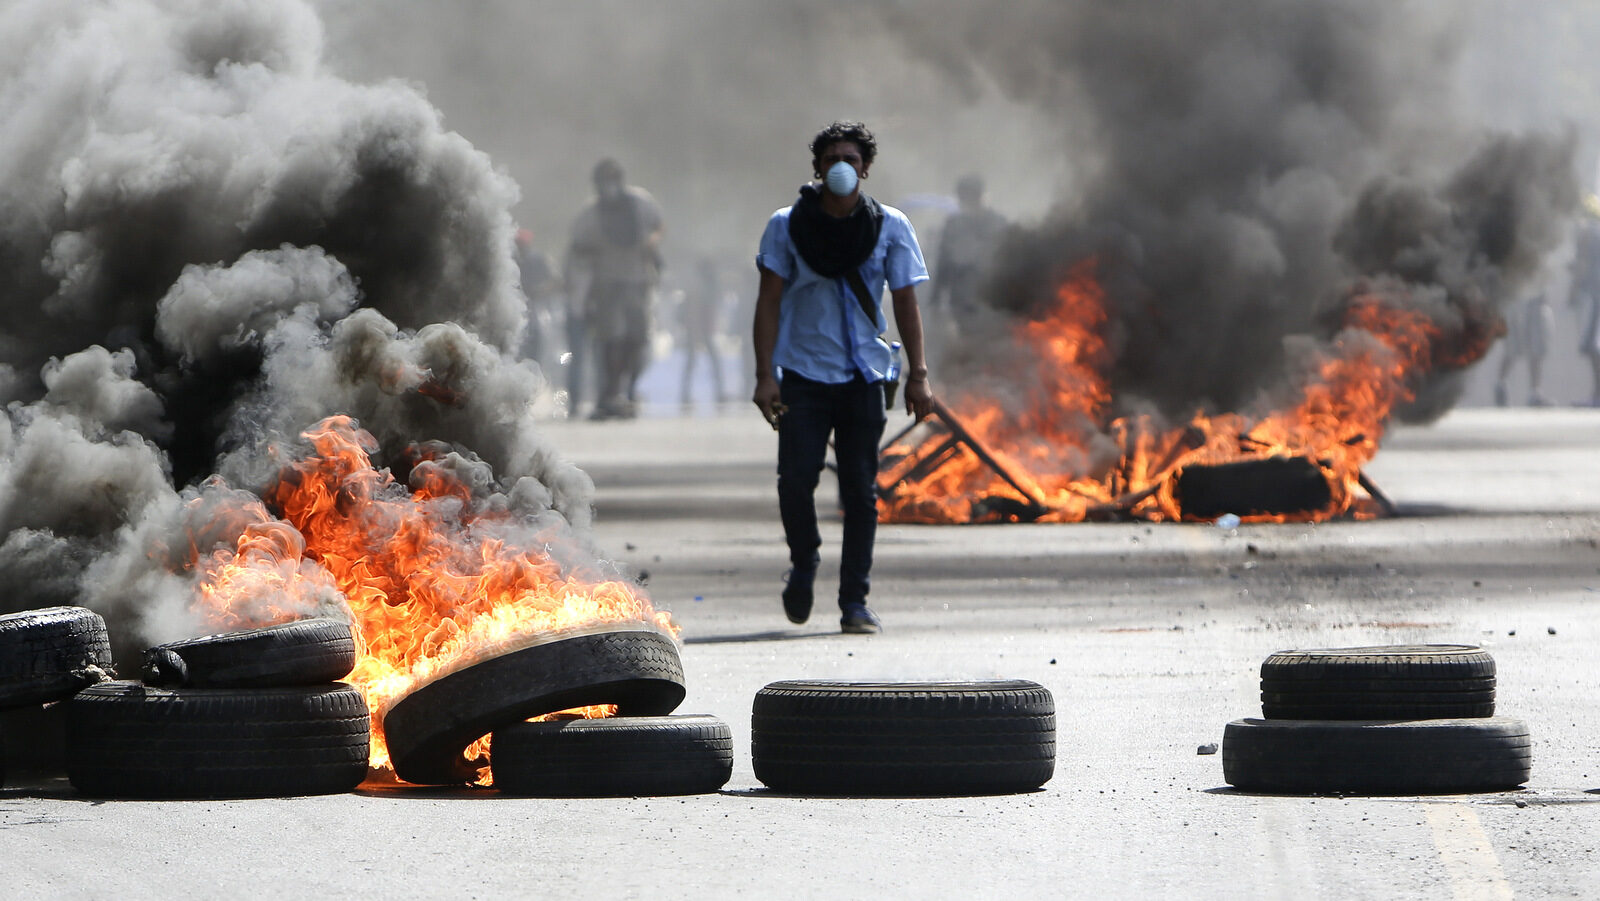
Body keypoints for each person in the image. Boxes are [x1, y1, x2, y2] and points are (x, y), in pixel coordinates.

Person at [751, 121, 935, 634]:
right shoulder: (785, 226)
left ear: (865, 168)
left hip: (864, 377)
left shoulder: (891, 226)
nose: (841, 166)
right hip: (804, 378)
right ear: (817, 167)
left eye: (850, 159)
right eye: (832, 157)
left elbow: (905, 301)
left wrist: (918, 375)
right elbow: (768, 302)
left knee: (861, 491)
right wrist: (765, 375)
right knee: (795, 482)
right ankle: (804, 562)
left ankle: (854, 600)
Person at [566, 158, 665, 419]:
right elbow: (577, 249)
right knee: (610, 342)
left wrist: (651, 245)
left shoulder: (641, 203)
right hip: (606, 283)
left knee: (637, 340)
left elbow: (658, 226)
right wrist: (581, 294)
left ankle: (627, 390)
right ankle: (610, 394)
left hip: (638, 280)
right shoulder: (590, 214)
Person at [929, 173, 1006, 359]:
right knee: (967, 348)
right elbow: (943, 265)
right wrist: (936, 300)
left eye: (973, 196)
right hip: (962, 303)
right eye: (965, 197)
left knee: (993, 349)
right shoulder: (954, 224)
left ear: (982, 196)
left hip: (992, 302)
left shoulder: (998, 224)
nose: (969, 202)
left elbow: (1009, 264)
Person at [679, 256, 727, 407]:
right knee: (703, 361)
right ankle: (688, 393)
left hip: (700, 328)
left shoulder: (701, 285)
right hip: (699, 328)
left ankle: (687, 393)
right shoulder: (702, 286)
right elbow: (694, 308)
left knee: (696, 361)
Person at [1572, 194, 1600, 407]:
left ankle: (1597, 395)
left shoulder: (1587, 230)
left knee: (1594, 347)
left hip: (1594, 296)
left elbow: (1582, 264)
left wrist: (1573, 290)